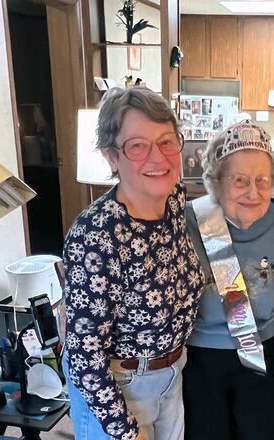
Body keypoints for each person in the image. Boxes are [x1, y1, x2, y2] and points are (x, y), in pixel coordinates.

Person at [62, 87, 204, 440]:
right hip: (120, 390)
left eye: (166, 141)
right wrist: (125, 431)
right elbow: (84, 354)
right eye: (138, 146)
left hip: (172, 374)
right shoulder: (96, 234)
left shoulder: (174, 199)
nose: (158, 157)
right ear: (112, 156)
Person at [182, 120, 274, 439]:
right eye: (240, 180)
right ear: (216, 182)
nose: (253, 192)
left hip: (263, 349)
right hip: (203, 355)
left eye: (262, 180)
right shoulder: (189, 219)